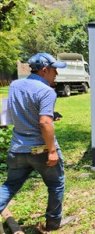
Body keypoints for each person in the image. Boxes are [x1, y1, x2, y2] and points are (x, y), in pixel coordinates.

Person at [1, 52, 74, 231]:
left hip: (18, 148)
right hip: (41, 150)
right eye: (54, 70)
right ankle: (53, 223)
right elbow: (44, 122)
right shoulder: (47, 91)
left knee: (10, 185)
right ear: (44, 70)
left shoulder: (15, 85)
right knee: (56, 184)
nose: (56, 74)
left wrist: (49, 116)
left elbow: (18, 110)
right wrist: (52, 151)